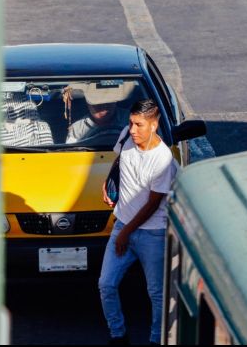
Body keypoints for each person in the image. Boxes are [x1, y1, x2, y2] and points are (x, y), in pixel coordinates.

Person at [98, 99, 178, 345]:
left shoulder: (163, 160)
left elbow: (153, 204)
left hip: (152, 232)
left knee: (157, 293)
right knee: (106, 284)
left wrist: (125, 234)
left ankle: (157, 339)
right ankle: (118, 335)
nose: (132, 130)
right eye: (131, 123)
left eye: (139, 125)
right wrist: (109, 183)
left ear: (153, 125)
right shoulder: (126, 136)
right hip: (123, 224)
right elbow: (119, 159)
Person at [66, 82, 133, 144]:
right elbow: (69, 154)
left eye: (108, 101)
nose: (103, 106)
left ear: (115, 102)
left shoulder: (131, 119)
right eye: (97, 102)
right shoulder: (77, 129)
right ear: (88, 103)